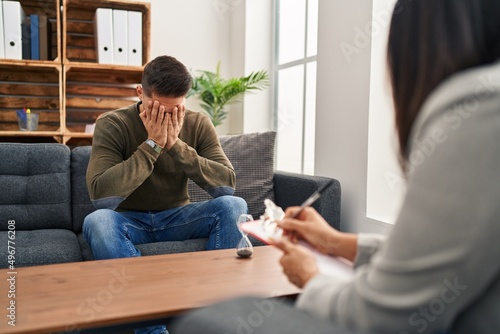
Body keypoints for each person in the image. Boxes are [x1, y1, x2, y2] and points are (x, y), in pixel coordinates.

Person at [172, 0, 500, 333]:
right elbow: (435, 254)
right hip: (140, 218)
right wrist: (335, 241)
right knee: (113, 223)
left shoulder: (478, 114)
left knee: (213, 315)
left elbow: (381, 317)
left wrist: (310, 277)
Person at [83, 55, 247, 334]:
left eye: (176, 109)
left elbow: (225, 185)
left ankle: (211, 321)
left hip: (178, 217)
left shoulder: (198, 123)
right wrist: (152, 145)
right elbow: (101, 197)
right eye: (158, 108)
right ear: (139, 93)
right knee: (98, 221)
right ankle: (153, 330)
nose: (167, 117)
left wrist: (176, 146)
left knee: (234, 205)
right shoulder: (113, 124)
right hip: (129, 221)